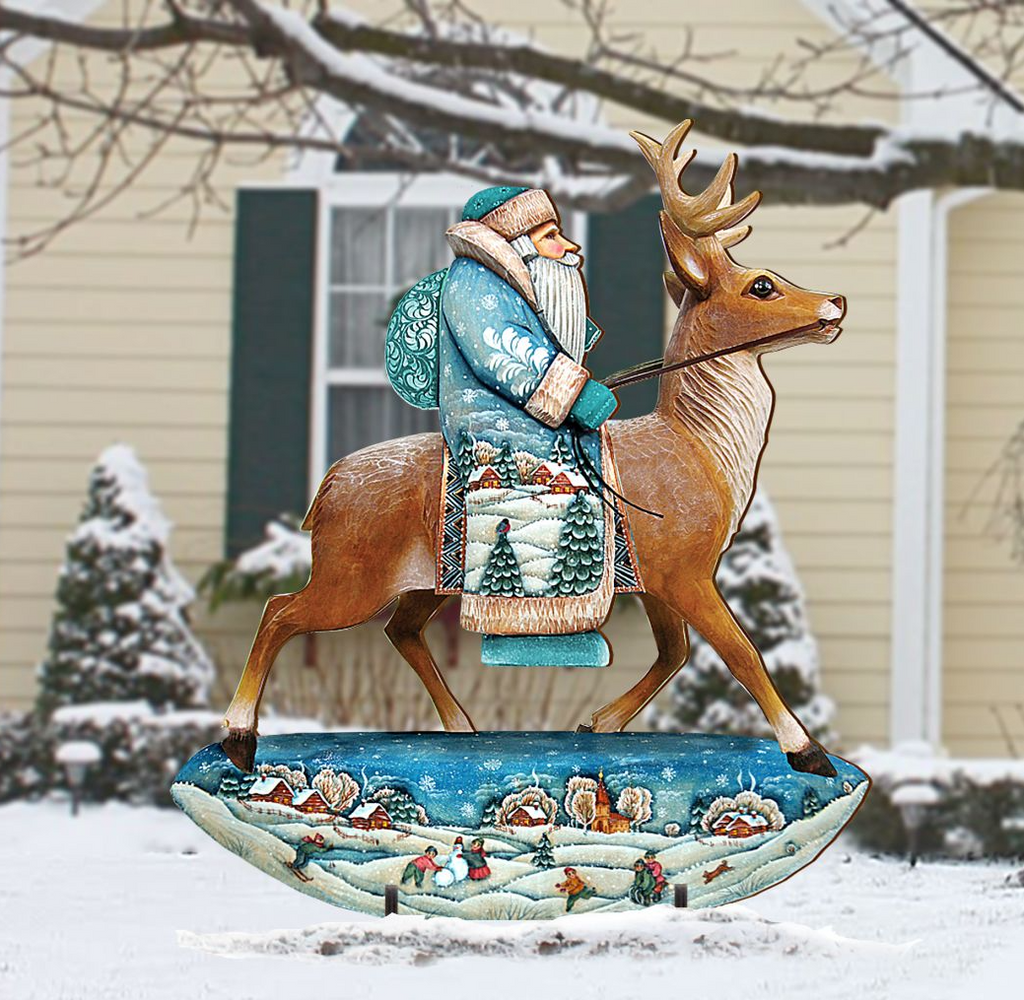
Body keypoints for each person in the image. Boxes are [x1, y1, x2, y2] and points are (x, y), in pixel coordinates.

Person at [435, 187, 624, 667]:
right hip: (493, 415)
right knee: (540, 482)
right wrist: (574, 394)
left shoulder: (516, 285)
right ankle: (522, 628)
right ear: (518, 242)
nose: (569, 248)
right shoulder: (475, 282)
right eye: (551, 236)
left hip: (525, 408)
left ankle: (573, 609)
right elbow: (499, 349)